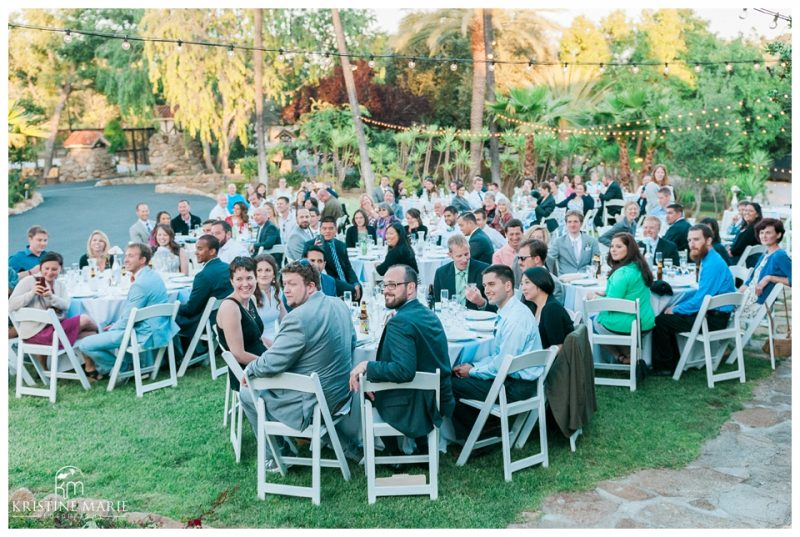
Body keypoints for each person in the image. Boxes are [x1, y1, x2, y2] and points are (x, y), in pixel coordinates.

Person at [238, 261, 354, 471]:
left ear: (310, 287)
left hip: (315, 403)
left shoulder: (297, 318)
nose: (287, 290)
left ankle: (277, 454)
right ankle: (347, 445)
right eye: (284, 284)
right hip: (342, 394)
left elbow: (272, 362)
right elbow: (353, 343)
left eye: (292, 284)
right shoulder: (339, 304)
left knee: (246, 393)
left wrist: (251, 369)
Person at [349, 265, 455, 440]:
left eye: (393, 285)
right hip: (437, 397)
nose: (386, 291)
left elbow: (403, 371)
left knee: (360, 389)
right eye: (384, 285)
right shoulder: (426, 313)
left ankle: (387, 452)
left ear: (411, 287)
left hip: (417, 406)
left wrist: (366, 365)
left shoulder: (401, 322)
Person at [450, 265, 543, 441]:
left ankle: (478, 436)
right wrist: (474, 366)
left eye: (492, 284)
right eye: (485, 286)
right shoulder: (510, 311)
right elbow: (500, 357)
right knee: (458, 375)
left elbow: (501, 367)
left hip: (516, 387)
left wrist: (471, 371)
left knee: (448, 384)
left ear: (508, 286)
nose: (486, 290)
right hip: (512, 379)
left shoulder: (514, 320)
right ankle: (484, 428)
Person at [77, 243, 179, 376]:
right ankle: (123, 366)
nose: (125, 260)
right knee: (110, 327)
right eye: (126, 256)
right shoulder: (153, 275)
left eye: (131, 256)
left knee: (85, 344)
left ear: (142, 260)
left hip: (144, 334)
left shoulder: (140, 284)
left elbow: (127, 319)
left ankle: (122, 368)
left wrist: (113, 328)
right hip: (160, 328)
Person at [651, 225, 736, 375]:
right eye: (689, 240)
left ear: (708, 240)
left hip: (713, 319)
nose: (692, 244)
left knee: (661, 321)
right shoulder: (709, 258)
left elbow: (701, 301)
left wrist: (676, 308)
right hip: (711, 313)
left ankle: (665, 367)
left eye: (696, 239)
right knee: (668, 316)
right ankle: (673, 360)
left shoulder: (712, 264)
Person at [9, 252, 99, 376]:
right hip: (35, 334)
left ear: (60, 269)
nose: (50, 272)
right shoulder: (29, 281)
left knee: (90, 334)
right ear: (40, 268)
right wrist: (31, 293)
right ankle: (103, 332)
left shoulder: (60, 285)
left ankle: (90, 368)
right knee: (85, 320)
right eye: (46, 269)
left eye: (54, 269)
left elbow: (66, 305)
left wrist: (51, 297)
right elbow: (10, 305)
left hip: (55, 330)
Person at [592, 233, 656, 364]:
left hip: (628, 326)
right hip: (644, 322)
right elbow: (627, 292)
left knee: (593, 321)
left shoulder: (621, 273)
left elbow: (610, 304)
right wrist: (606, 293)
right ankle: (628, 355)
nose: (613, 250)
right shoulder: (640, 267)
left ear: (629, 249)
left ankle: (620, 357)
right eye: (611, 246)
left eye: (618, 246)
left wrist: (593, 297)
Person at [216, 256, 267, 393]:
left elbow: (258, 337)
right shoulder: (230, 308)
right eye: (239, 279)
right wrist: (269, 363)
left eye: (249, 278)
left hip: (261, 363)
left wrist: (279, 350)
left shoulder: (251, 300)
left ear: (256, 278)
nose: (245, 284)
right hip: (247, 372)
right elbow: (238, 354)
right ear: (232, 281)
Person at [175, 235, 232, 353]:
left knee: (170, 317)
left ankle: (178, 357)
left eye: (200, 249)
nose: (196, 253)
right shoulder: (228, 267)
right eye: (196, 249)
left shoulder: (203, 276)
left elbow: (191, 309)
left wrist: (174, 307)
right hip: (224, 316)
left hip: (208, 322)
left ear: (212, 251)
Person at [739, 218, 792, 317]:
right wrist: (742, 289)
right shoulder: (765, 255)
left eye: (768, 233)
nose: (764, 236)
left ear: (778, 235)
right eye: (761, 232)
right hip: (747, 296)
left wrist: (769, 278)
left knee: (718, 310)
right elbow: (752, 278)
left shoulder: (779, 256)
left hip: (756, 303)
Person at [304, 217, 362, 300]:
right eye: (324, 228)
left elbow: (348, 267)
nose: (327, 231)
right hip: (330, 280)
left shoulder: (341, 245)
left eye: (331, 228)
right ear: (320, 230)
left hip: (345, 280)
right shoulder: (311, 244)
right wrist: (316, 250)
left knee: (359, 288)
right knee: (351, 291)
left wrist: (355, 282)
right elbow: (305, 264)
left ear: (336, 230)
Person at [519, 266, 574, 350]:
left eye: (527, 282)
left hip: (549, 361)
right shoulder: (534, 306)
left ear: (540, 282)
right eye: (522, 284)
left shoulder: (551, 309)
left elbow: (558, 347)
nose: (523, 288)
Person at [432, 235, 492, 311]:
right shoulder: (441, 273)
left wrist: (481, 302)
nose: (464, 260)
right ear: (450, 255)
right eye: (459, 256)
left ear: (470, 250)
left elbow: (496, 306)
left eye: (466, 254)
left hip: (477, 319)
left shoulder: (485, 270)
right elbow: (437, 303)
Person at [516, 239, 564, 304]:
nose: (519, 262)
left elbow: (552, 311)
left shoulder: (553, 283)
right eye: (518, 258)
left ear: (537, 259)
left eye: (522, 258)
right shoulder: (524, 279)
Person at [253, 254, 286, 347]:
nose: (263, 274)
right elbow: (251, 331)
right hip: (258, 341)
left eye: (267, 270)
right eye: (259, 270)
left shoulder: (276, 291)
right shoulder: (251, 295)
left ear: (274, 273)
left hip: (275, 337)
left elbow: (283, 318)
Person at [729, 202, 763, 266]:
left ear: (757, 215)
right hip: (741, 258)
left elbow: (739, 248)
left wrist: (730, 252)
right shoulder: (746, 227)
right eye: (746, 210)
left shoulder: (752, 229)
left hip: (742, 261)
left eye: (750, 211)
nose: (746, 213)